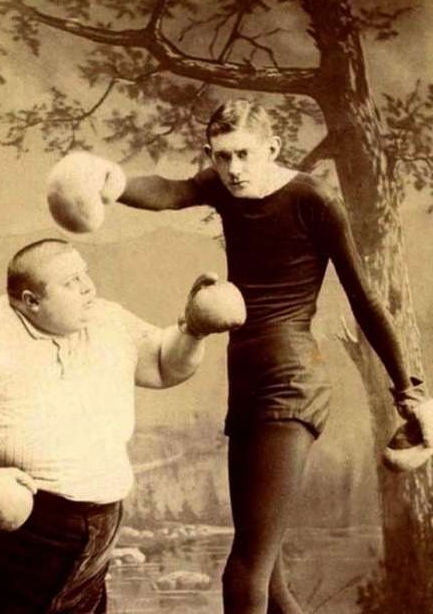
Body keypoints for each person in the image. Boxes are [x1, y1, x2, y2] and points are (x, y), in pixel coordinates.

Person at [45, 99, 433, 614]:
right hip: (248, 381)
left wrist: (411, 391)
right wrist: (111, 184)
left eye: (244, 154)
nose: (233, 169)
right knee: (270, 580)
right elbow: (171, 192)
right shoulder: (223, 185)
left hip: (292, 382)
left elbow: (366, 301)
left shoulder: (313, 199)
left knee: (244, 569)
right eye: (222, 156)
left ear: (272, 147)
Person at [0, 238, 238, 614]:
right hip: (4, 542)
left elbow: (161, 364)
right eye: (71, 282)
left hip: (88, 546)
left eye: (84, 274)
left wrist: (192, 329)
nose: (87, 287)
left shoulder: (106, 320)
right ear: (31, 301)